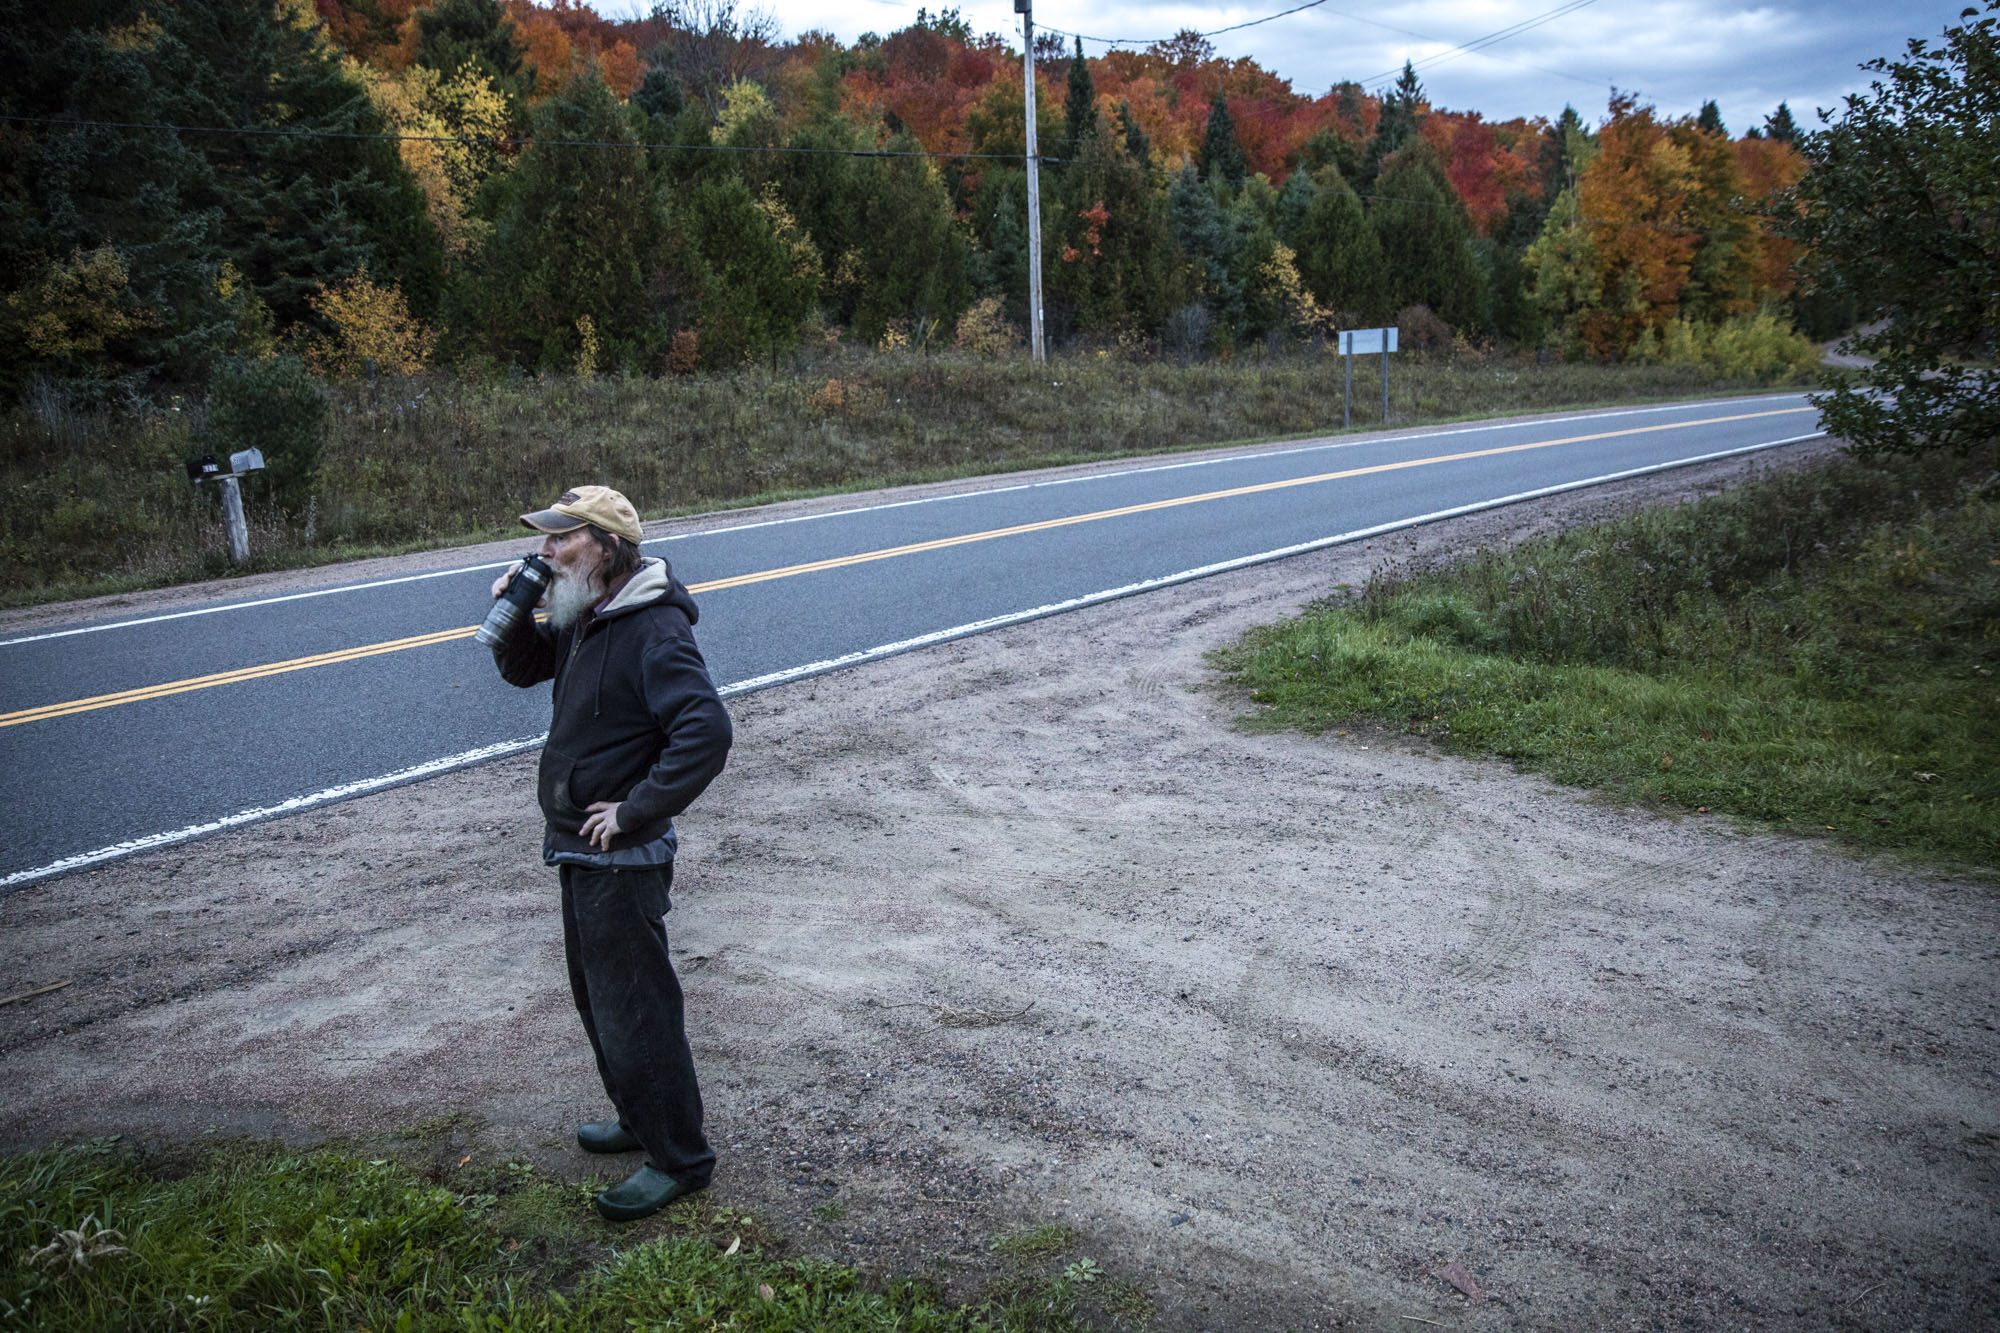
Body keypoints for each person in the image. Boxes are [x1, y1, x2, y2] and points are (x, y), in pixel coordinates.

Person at [487, 484, 733, 1222]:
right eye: (544, 539)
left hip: (619, 857)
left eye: (560, 539)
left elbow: (706, 730)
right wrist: (517, 609)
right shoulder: (586, 614)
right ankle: (638, 1115)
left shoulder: (652, 628)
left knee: (638, 1009)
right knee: (599, 1000)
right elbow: (523, 666)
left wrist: (636, 807)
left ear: (604, 546)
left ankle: (680, 1158)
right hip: (577, 849)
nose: (545, 550)